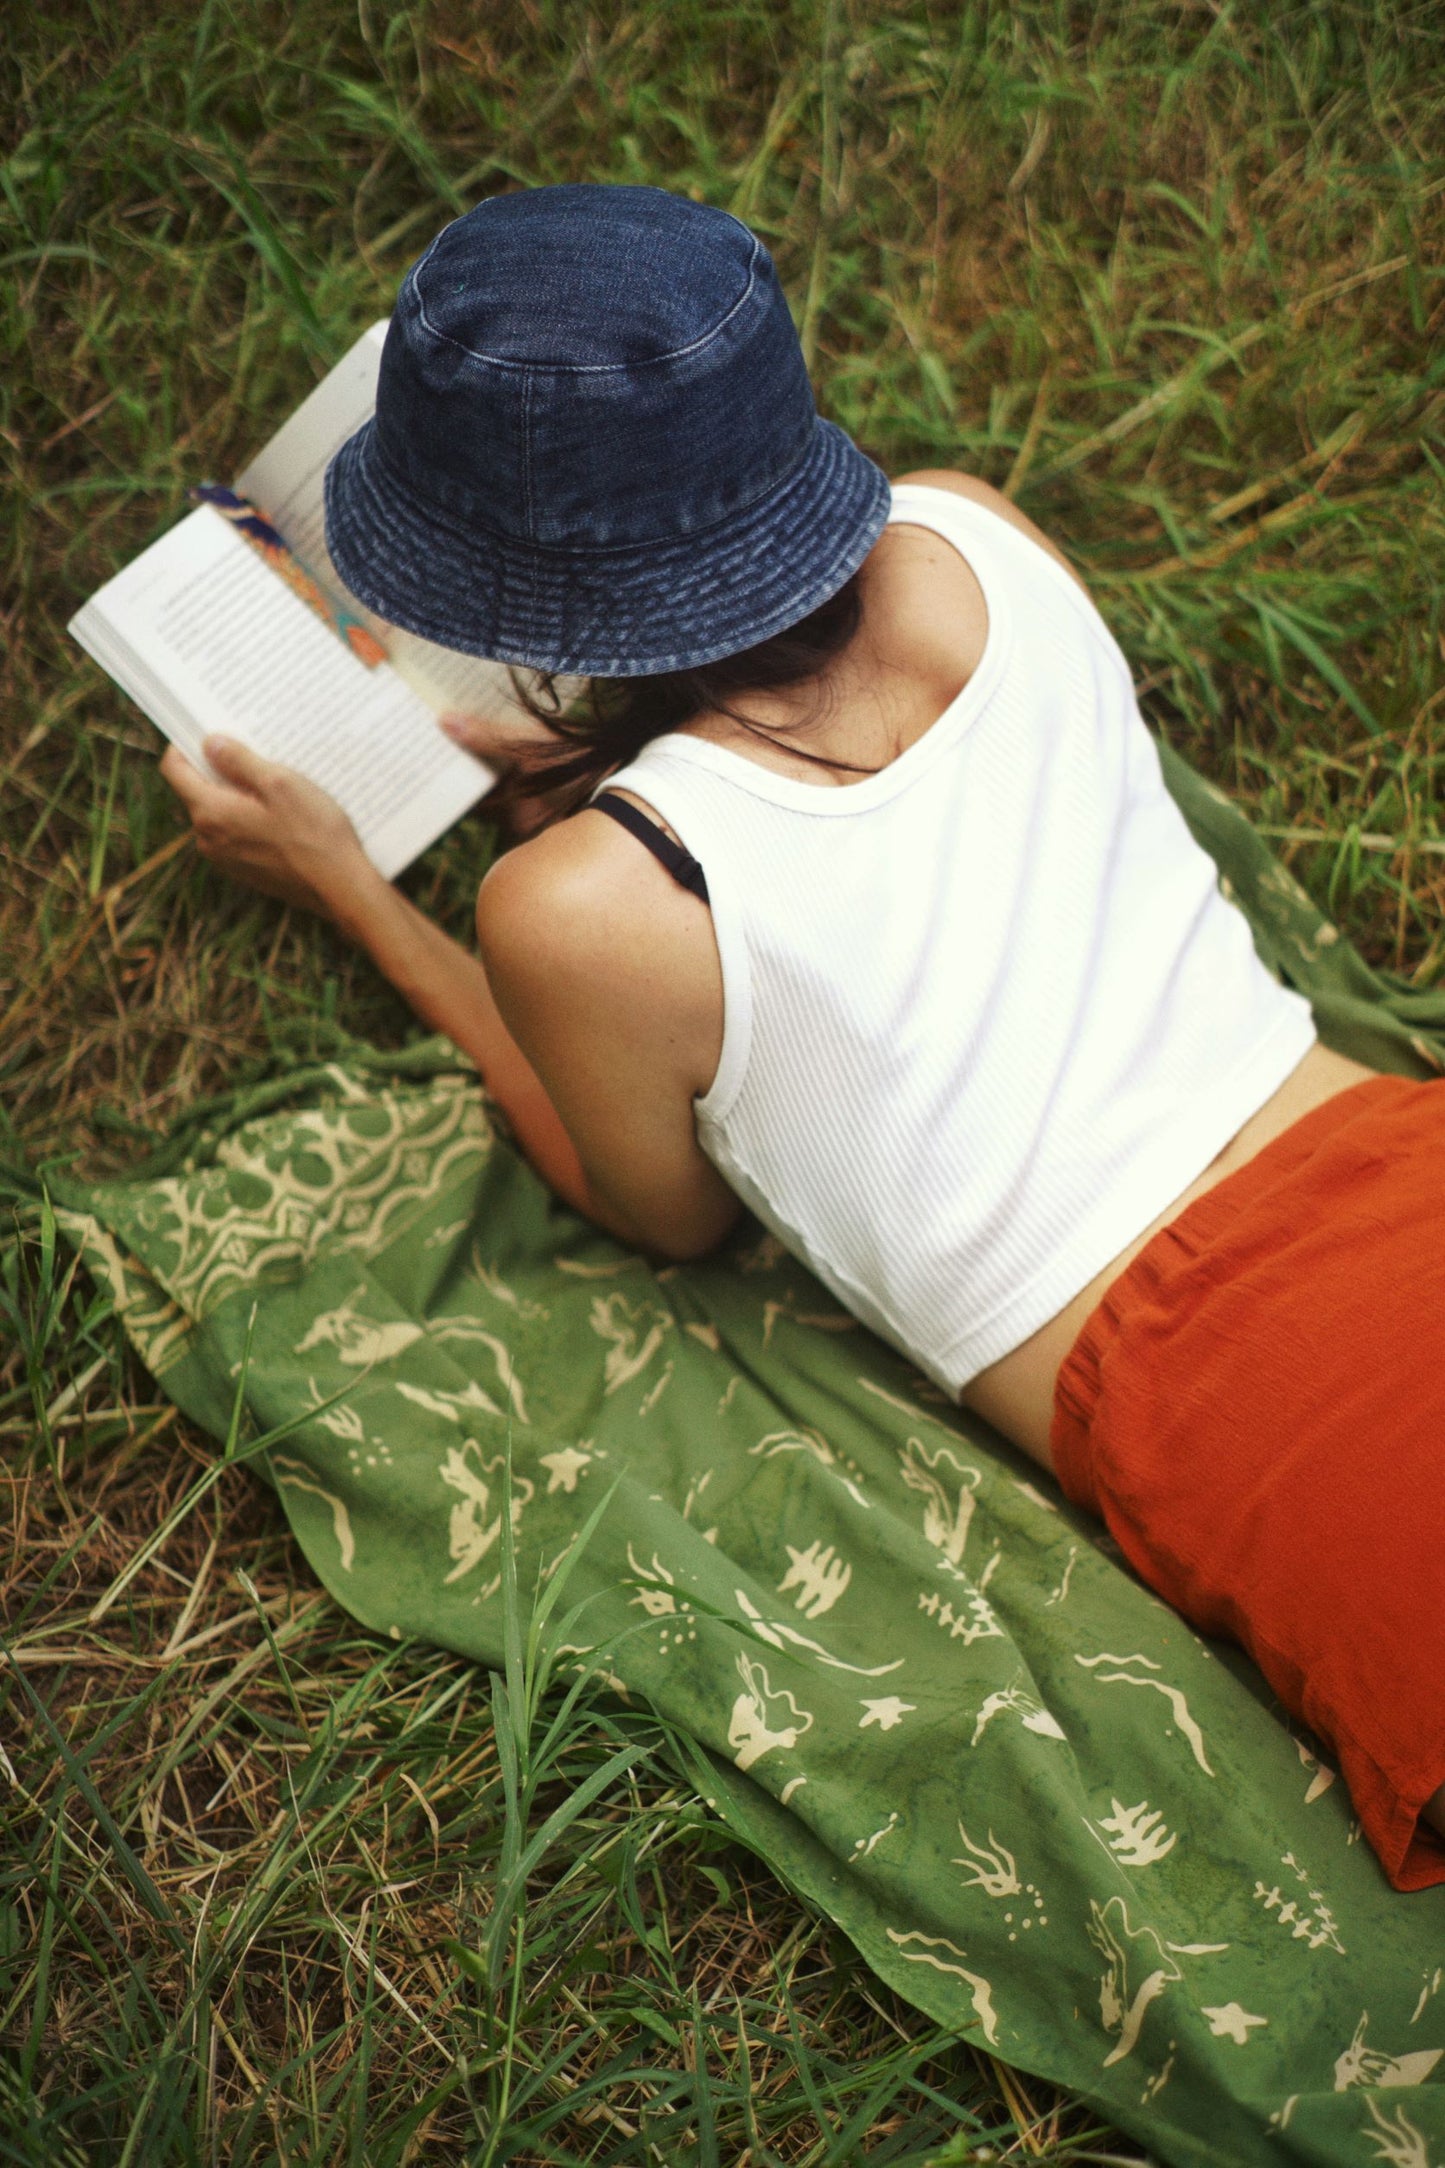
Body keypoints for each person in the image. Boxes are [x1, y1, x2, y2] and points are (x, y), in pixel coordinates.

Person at [158, 184, 1445, 1890]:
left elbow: (664, 1215)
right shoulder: (971, 533)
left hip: (1227, 1384)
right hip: (1385, 1158)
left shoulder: (588, 908)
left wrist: (354, 886)